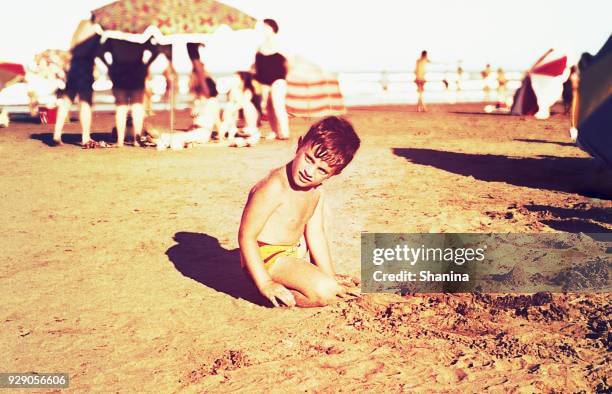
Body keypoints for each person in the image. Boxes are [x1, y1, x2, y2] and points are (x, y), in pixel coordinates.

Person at [238, 116, 361, 308]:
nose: (309, 172)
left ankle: (307, 283)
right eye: (308, 159)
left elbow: (316, 235)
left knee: (332, 286)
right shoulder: (274, 186)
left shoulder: (316, 192)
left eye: (322, 170)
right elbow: (246, 235)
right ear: (300, 145)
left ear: (334, 173)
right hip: (265, 257)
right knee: (326, 293)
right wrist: (265, 283)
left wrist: (330, 275)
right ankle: (272, 292)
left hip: (291, 253)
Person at [99, 37, 160, 147]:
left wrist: (109, 66)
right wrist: (146, 65)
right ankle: (137, 140)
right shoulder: (141, 34)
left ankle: (120, 141)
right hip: (137, 68)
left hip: (119, 68)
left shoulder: (115, 34)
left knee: (121, 107)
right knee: (137, 106)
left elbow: (100, 51)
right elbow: (155, 51)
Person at [53, 19, 102, 147]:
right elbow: (96, 51)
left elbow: (72, 49)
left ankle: (57, 134)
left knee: (67, 100)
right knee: (85, 103)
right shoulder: (95, 31)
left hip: (74, 68)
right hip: (85, 68)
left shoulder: (81, 27)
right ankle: (85, 137)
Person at [254, 19, 290, 140]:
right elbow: (256, 65)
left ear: (273, 28)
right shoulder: (260, 46)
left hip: (278, 78)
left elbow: (289, 63)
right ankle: (275, 131)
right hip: (263, 79)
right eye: (263, 27)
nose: (264, 29)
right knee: (267, 107)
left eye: (267, 27)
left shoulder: (280, 44)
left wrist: (287, 77)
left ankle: (284, 132)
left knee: (277, 104)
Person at [221, 71, 261, 147]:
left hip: (250, 117)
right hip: (237, 119)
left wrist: (232, 108)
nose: (233, 80)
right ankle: (232, 129)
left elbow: (243, 103)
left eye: (236, 78)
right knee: (230, 105)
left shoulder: (248, 90)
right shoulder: (233, 90)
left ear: (243, 80)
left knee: (247, 104)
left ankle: (250, 128)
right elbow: (231, 104)